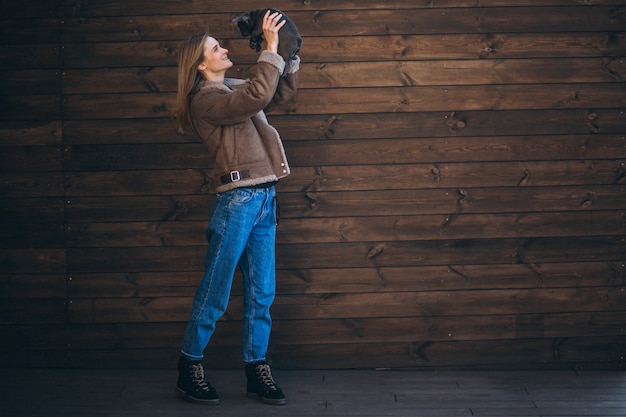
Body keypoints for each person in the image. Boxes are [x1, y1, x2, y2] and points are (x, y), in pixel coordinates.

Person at [174, 11, 299, 406]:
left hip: (264, 198)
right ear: (200, 64)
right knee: (216, 291)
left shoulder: (233, 87)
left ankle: (256, 369)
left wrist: (288, 53)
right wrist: (271, 51)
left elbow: (276, 92)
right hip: (237, 202)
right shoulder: (205, 99)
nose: (224, 49)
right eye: (216, 48)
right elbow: (258, 95)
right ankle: (189, 366)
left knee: (263, 293)